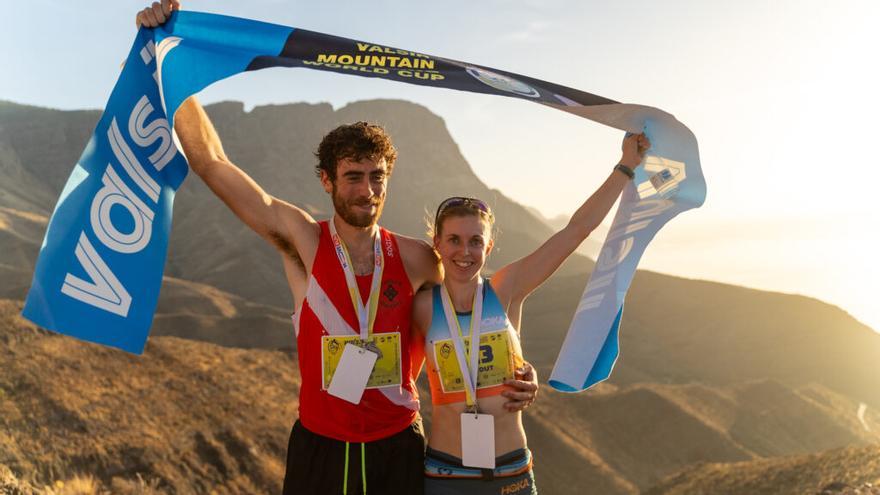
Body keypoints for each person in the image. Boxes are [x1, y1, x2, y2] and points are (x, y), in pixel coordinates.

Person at [135, 2, 538, 494]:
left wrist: (518, 374)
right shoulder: (303, 241)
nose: (366, 191)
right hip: (321, 447)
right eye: (352, 177)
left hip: (398, 446)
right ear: (327, 180)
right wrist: (168, 61)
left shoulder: (417, 258)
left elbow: (474, 313)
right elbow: (213, 164)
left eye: (376, 178)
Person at [415, 132, 650, 494]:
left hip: (512, 474)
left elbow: (576, 231)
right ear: (437, 244)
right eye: (455, 240)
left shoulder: (507, 288)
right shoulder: (421, 305)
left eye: (476, 241)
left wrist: (626, 166)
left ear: (488, 245)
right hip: (447, 475)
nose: (465, 251)